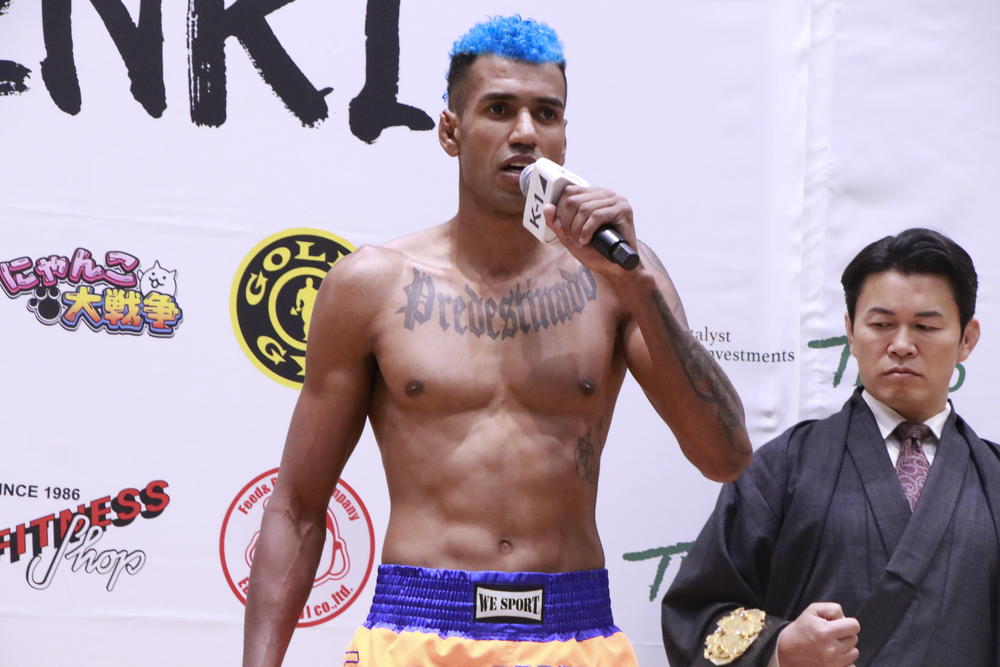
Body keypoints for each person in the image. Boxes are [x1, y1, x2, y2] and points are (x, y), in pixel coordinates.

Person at [243, 15, 751, 667]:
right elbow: (297, 507)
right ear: (450, 130)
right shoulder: (370, 285)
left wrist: (639, 285)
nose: (526, 133)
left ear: (564, 135)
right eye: (499, 109)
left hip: (572, 633)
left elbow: (725, 457)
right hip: (416, 633)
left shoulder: (620, 278)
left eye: (547, 113)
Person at [661, 228, 999, 666]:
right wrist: (780, 648)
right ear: (850, 332)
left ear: (967, 339)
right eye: (881, 325)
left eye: (925, 326)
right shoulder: (785, 467)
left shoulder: (993, 478)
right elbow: (696, 613)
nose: (901, 345)